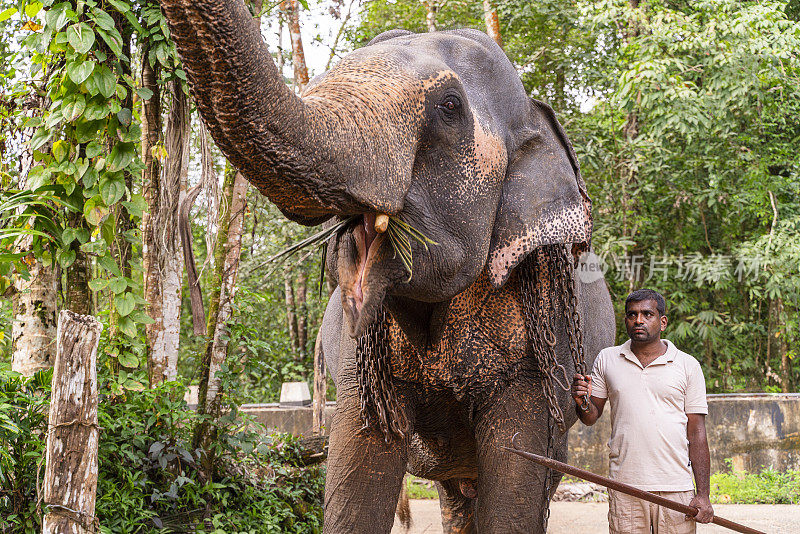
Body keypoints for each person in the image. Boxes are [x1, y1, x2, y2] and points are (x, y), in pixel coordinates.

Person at [571, 288, 714, 534]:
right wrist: (581, 400)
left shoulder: (687, 365)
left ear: (663, 321)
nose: (639, 320)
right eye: (632, 314)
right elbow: (590, 416)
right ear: (625, 320)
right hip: (625, 486)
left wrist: (703, 495)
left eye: (647, 314)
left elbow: (697, 432)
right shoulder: (608, 359)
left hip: (675, 488)